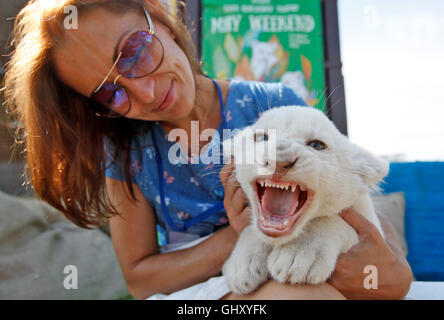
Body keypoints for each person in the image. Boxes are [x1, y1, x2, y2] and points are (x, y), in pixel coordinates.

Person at [2, 0, 412, 300]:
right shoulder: (127, 152)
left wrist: (389, 268)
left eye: (134, 51)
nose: (145, 90)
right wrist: (241, 233)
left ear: (159, 16)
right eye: (109, 93)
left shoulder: (271, 105)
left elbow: (348, 196)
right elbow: (141, 278)